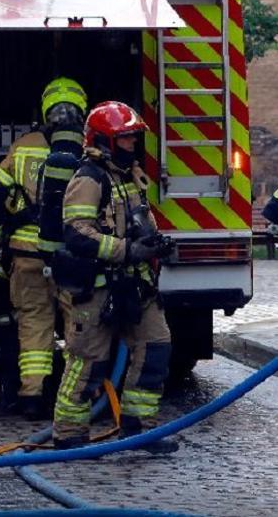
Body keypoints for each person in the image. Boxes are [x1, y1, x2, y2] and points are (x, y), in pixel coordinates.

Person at [50, 101, 176, 453]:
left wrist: (155, 244)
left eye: (134, 139)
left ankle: (139, 430)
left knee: (155, 348)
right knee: (88, 363)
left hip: (134, 284)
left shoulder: (129, 177)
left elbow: (140, 221)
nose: (132, 145)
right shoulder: (88, 179)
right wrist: (126, 250)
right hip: (97, 287)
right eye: (125, 140)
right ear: (104, 141)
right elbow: (76, 233)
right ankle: (69, 435)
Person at [0, 77, 86, 419]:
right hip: (74, 257)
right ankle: (77, 397)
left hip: (27, 257)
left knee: (33, 326)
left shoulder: (25, 144)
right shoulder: (90, 147)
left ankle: (31, 396)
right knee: (80, 327)